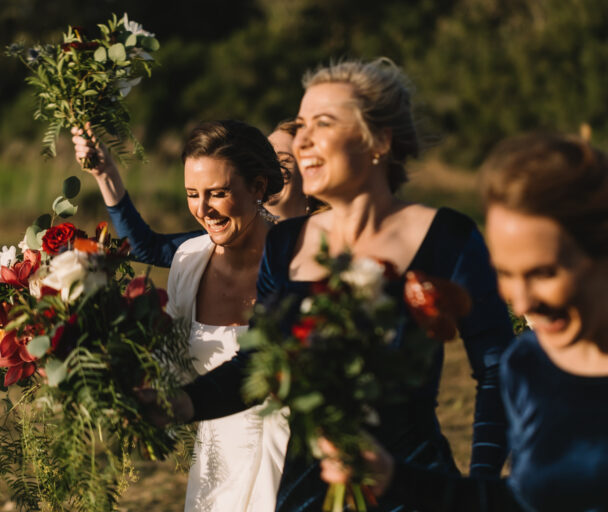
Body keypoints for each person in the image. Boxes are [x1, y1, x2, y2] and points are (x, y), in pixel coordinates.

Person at [150, 58, 514, 512]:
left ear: (379, 140)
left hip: (413, 493)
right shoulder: (286, 244)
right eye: (301, 125)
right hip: (306, 497)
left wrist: (479, 485)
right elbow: (258, 363)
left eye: (322, 123)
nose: (302, 140)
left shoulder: (448, 238)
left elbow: (498, 370)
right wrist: (181, 403)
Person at [320, 132, 608, 512]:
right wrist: (392, 478)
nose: (521, 303)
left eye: (543, 273)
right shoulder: (527, 364)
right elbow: (518, 502)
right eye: (505, 273)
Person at [84, 120, 292, 511]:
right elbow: (171, 365)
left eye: (218, 193)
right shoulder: (189, 260)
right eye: (192, 194)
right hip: (218, 466)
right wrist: (100, 363)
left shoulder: (295, 259)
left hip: (292, 462)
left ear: (258, 187)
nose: (202, 209)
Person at [71, 120, 313, 268]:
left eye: (283, 160)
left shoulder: (317, 254)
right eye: (267, 152)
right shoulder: (207, 248)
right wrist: (106, 174)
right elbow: (146, 248)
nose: (270, 164)